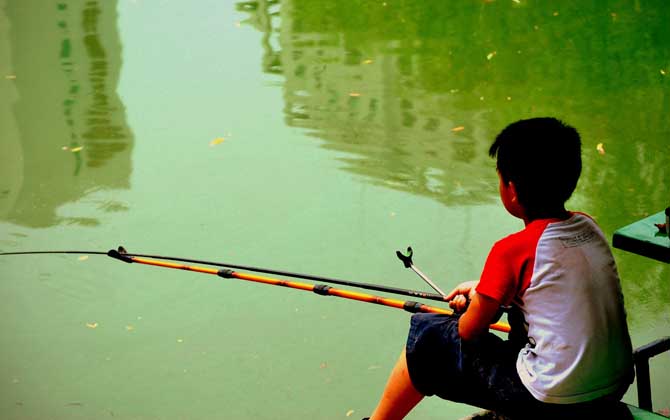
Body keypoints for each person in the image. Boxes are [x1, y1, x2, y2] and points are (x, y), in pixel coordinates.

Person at [366, 117, 634, 419]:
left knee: (429, 337)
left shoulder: (511, 249)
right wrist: (486, 290)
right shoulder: (589, 226)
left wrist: (478, 305)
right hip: (613, 387)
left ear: (512, 190)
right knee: (522, 321)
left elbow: (468, 330)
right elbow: (550, 286)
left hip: (553, 401)